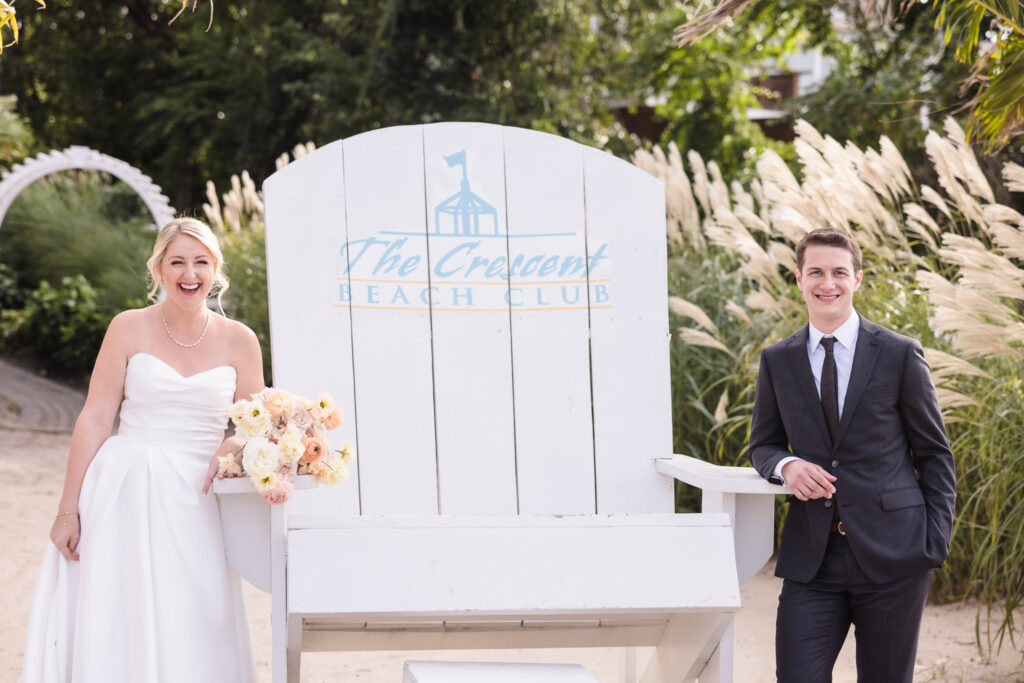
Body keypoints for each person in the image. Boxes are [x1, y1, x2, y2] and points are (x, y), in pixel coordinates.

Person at [20, 217, 263, 682]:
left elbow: (252, 423)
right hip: (125, 487)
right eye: (177, 262)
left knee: (196, 609)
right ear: (159, 269)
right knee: (117, 609)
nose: (189, 274)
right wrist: (67, 509)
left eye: (200, 262)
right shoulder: (127, 328)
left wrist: (230, 444)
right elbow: (94, 417)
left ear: (216, 269)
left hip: (198, 497)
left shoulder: (240, 340)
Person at [748, 227, 956, 682]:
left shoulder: (899, 354)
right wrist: (786, 465)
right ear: (799, 279)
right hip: (812, 560)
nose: (828, 283)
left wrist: (933, 541)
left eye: (839, 272)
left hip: (895, 555)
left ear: (857, 279)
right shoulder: (777, 360)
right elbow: (762, 443)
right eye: (816, 272)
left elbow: (935, 454)